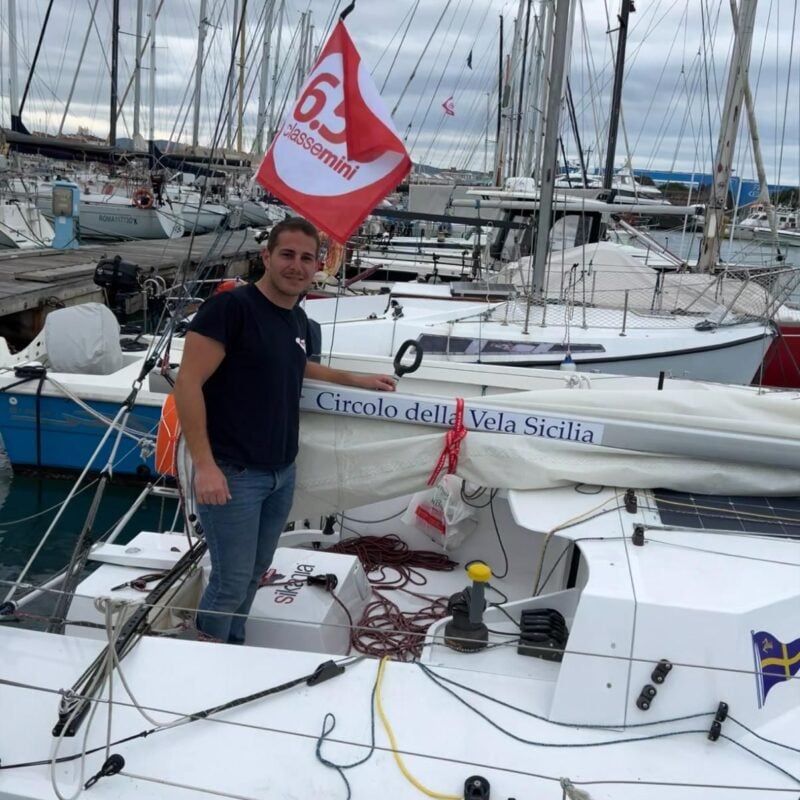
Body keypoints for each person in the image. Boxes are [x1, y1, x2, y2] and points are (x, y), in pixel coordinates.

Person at [173, 217, 396, 644]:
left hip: (280, 473)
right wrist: (205, 465)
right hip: (233, 472)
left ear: (317, 266)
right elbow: (188, 384)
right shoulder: (230, 309)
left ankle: (233, 644)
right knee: (231, 580)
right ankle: (205, 656)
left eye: (307, 258)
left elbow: (294, 363)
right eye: (287, 255)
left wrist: (355, 379)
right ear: (267, 257)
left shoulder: (294, 317)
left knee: (256, 572)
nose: (297, 266)